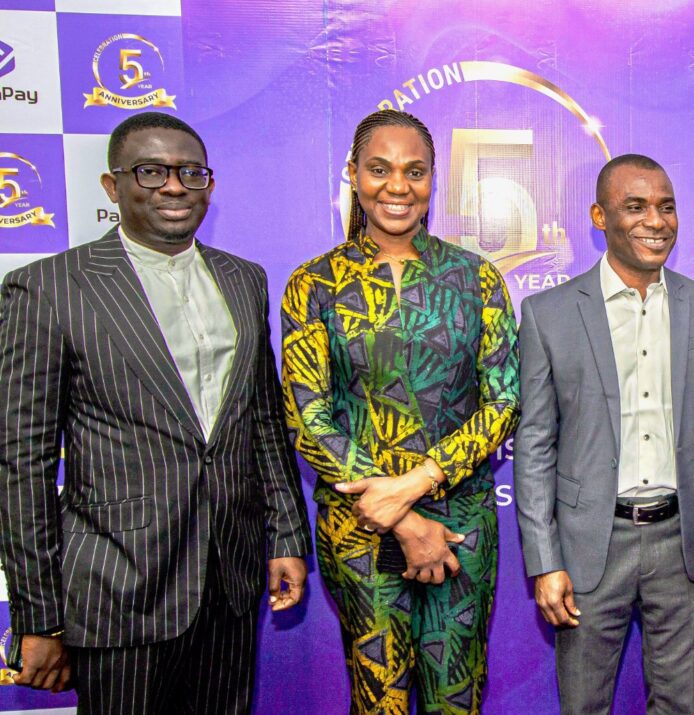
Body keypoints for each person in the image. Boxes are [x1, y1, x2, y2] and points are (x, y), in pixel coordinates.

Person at [0, 111, 311, 712]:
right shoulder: (49, 289)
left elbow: (263, 422)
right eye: (151, 171)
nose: (173, 186)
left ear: (209, 186)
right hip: (118, 589)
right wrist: (40, 616)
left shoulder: (243, 280)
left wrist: (286, 536)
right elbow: (21, 465)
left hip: (229, 578)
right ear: (112, 186)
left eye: (190, 173)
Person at [281, 108, 519, 714]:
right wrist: (402, 518)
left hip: (461, 523)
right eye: (379, 169)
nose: (397, 186)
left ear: (433, 178)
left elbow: (504, 400)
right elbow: (307, 414)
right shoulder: (314, 284)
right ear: (353, 174)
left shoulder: (476, 278)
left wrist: (420, 481)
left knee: (456, 698)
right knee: (378, 700)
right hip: (359, 529)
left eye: (414, 171)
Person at [514, 153, 694, 714]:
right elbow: (535, 446)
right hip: (589, 544)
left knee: (680, 706)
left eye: (667, 207)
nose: (656, 221)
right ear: (600, 216)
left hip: (684, 544)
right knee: (584, 705)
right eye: (636, 206)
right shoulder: (548, 314)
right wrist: (545, 560)